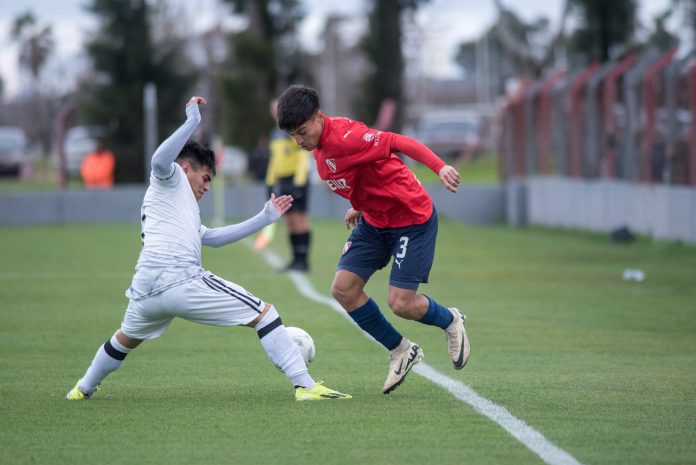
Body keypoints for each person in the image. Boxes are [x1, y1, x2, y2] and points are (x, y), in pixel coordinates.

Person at [65, 96, 350, 402]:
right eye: (205, 178)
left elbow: (212, 237)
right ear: (186, 168)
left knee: (124, 339)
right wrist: (192, 122)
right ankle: (306, 387)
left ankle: (82, 388)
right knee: (266, 314)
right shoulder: (170, 178)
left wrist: (263, 218)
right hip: (180, 279)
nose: (207, 187)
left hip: (146, 289)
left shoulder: (176, 206)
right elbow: (159, 161)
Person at [276, 85, 470, 394]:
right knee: (343, 289)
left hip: (411, 219)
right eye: (292, 135)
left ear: (319, 117)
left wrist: (440, 166)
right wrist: (359, 204)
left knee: (401, 303)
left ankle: (450, 320)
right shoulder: (320, 150)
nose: (299, 141)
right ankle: (401, 350)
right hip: (375, 221)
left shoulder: (346, 136)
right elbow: (364, 173)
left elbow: (397, 142)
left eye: (302, 131)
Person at [265, 99, 312, 272]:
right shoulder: (275, 134)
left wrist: (299, 183)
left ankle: (303, 260)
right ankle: (295, 259)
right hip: (283, 180)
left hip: (296, 179)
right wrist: (270, 182)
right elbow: (274, 160)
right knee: (290, 220)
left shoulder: (293, 131)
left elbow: (302, 157)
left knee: (300, 218)